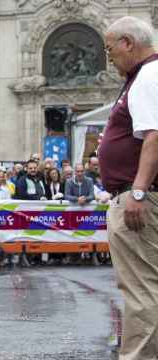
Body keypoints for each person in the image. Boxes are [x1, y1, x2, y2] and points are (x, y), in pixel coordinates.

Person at [98, 16, 158, 359]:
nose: (110, 58)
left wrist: (138, 191)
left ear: (127, 43)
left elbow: (154, 135)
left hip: (139, 197)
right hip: (142, 193)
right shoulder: (145, 75)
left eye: (110, 50)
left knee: (141, 291)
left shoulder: (148, 75)